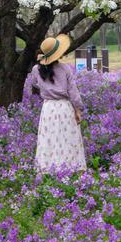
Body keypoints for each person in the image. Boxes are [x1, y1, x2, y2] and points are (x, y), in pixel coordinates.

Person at [30, 34, 87, 173]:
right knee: (67, 138)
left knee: (49, 138)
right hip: (64, 107)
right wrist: (78, 109)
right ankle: (70, 168)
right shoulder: (65, 69)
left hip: (48, 108)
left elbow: (35, 84)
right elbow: (73, 92)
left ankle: (48, 168)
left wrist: (47, 88)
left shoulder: (36, 69)